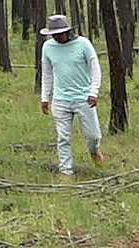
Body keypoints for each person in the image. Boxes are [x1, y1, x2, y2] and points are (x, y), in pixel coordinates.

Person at [38, 13, 105, 176]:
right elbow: (47, 73)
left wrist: (93, 92)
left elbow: (95, 69)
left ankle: (94, 151)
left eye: (60, 33)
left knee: (93, 135)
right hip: (61, 100)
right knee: (63, 137)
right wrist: (45, 97)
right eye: (54, 34)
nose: (57, 37)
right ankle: (65, 171)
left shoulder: (83, 44)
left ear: (67, 31)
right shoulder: (48, 47)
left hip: (84, 98)